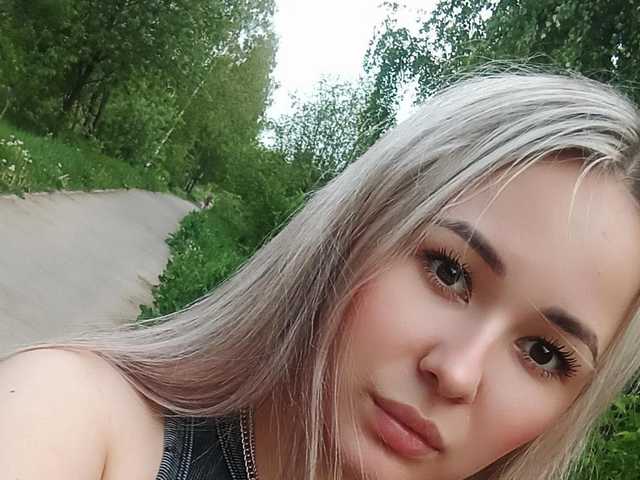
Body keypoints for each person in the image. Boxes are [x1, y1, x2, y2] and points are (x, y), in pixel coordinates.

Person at [2, 71, 640, 480]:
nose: (457, 373)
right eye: (448, 272)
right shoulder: (73, 419)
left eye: (544, 354)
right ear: (355, 231)